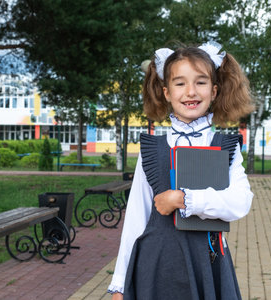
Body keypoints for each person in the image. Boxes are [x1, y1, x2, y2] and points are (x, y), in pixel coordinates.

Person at [108, 41, 255, 300]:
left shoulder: (225, 146)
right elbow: (135, 218)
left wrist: (184, 199)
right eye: (180, 83)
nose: (191, 92)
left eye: (200, 82)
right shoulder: (152, 148)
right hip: (157, 265)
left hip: (207, 264)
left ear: (214, 90)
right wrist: (120, 284)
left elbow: (240, 202)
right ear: (166, 92)